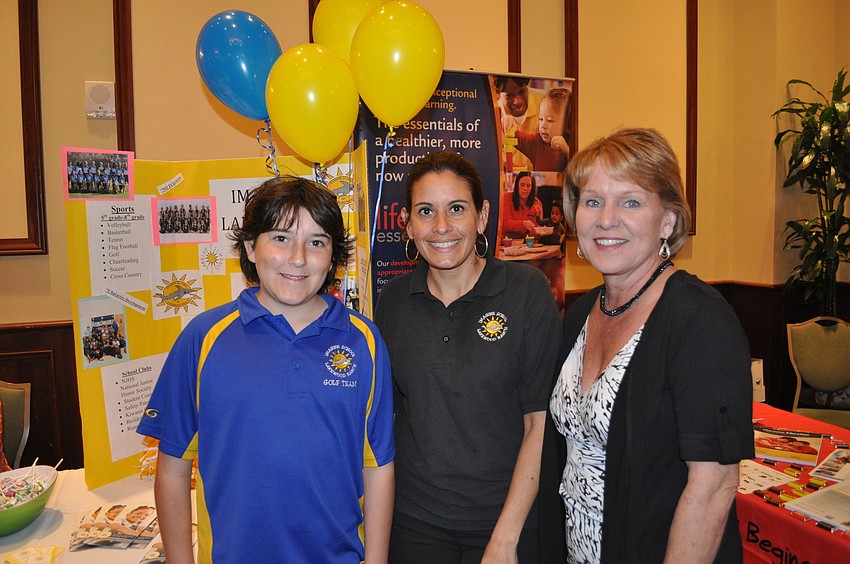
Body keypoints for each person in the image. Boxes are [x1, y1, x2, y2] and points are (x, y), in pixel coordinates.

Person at [137, 176, 395, 564]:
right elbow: (173, 470)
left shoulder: (364, 341)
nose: (298, 257)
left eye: (317, 242)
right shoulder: (203, 338)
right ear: (250, 249)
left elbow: (377, 466)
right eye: (280, 238)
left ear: (333, 258)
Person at [539, 128, 754, 562]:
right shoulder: (583, 313)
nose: (606, 219)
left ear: (669, 221)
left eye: (630, 201)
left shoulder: (700, 321)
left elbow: (713, 487)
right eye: (593, 201)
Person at [374, 152, 562, 563]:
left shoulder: (526, 292)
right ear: (407, 221)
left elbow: (540, 423)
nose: (441, 227)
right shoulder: (392, 301)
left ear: (482, 216)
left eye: (456, 208)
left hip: (507, 520)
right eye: (426, 211)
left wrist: (506, 537)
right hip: (415, 522)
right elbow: (383, 418)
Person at [514, 88, 571, 172]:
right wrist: (508, 122)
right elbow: (514, 136)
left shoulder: (572, 143)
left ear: (566, 123)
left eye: (550, 120)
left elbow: (579, 168)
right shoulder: (536, 143)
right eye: (540, 119)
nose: (543, 126)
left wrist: (567, 151)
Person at [501, 171, 544, 239]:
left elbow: (537, 229)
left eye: (528, 186)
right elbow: (505, 224)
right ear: (517, 185)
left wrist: (542, 230)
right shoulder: (507, 198)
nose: (525, 189)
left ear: (532, 188)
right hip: (507, 242)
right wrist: (523, 224)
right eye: (522, 185)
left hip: (528, 243)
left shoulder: (537, 203)